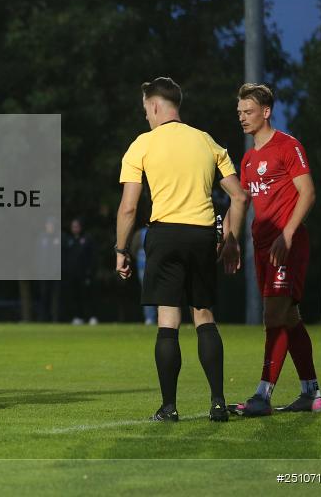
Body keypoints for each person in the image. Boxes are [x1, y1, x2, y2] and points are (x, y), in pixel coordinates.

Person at [115, 77, 246, 423]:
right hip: (203, 235)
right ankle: (218, 402)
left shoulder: (142, 144)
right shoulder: (206, 141)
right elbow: (239, 195)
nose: (146, 116)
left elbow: (128, 207)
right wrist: (231, 239)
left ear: (155, 106)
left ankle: (169, 407)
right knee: (204, 316)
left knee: (168, 320)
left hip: (165, 234)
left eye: (146, 110)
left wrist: (120, 248)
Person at [233, 83, 321, 415]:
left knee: (274, 315)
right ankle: (310, 392)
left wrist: (286, 235)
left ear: (266, 112)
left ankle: (262, 396)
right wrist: (231, 238)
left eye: (249, 111)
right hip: (262, 248)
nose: (242, 117)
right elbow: (243, 202)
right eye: (240, 112)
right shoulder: (248, 159)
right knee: (288, 317)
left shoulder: (288, 146)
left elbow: (309, 193)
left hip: (287, 244)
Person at [63, 218, 97, 325]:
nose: (75, 229)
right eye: (73, 227)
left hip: (85, 274)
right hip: (72, 275)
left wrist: (90, 271)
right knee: (74, 296)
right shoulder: (69, 240)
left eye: (77, 226)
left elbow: (93, 257)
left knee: (87, 296)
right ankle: (78, 317)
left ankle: (91, 316)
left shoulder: (87, 239)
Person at [129, 226, 156, 325]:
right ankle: (155, 317)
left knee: (147, 292)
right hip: (151, 265)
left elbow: (133, 249)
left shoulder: (140, 233)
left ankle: (150, 318)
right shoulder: (158, 231)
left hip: (143, 265)